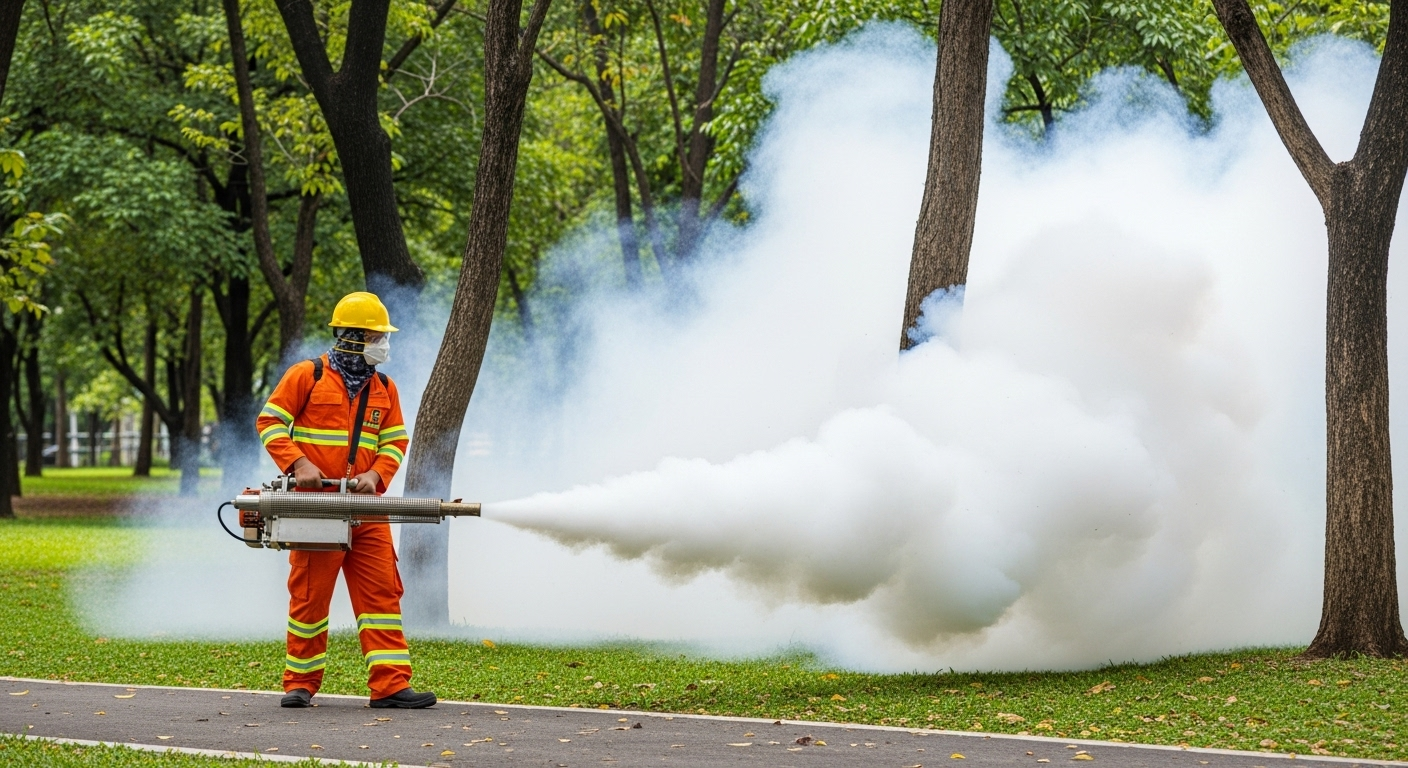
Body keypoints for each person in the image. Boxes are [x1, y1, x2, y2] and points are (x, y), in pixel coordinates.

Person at [255, 291, 435, 709]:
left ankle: (390, 686)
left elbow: (394, 441)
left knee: (382, 597)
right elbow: (270, 421)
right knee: (310, 596)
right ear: (351, 337)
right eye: (375, 337)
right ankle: (299, 684)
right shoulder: (307, 375)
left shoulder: (385, 387)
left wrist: (377, 475)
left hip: (367, 510)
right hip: (316, 507)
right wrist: (298, 464)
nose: (383, 345)